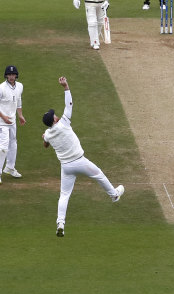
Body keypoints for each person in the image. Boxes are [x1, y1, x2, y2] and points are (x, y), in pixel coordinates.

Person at [42, 76, 124, 237]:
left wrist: (44, 137)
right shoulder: (63, 123)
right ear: (54, 119)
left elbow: (45, 144)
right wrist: (66, 87)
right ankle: (114, 195)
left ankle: (60, 223)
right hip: (79, 162)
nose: (56, 115)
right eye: (54, 115)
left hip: (66, 167)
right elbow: (69, 105)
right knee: (99, 174)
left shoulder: (48, 134)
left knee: (64, 195)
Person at [0, 65, 26, 184]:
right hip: (0, 122)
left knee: (13, 143)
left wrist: (20, 115)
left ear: (16, 75)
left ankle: (10, 167)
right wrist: (3, 117)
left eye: (13, 74)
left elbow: (18, 100)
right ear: (6, 76)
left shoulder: (20, 86)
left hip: (12, 120)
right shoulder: (0, 88)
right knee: (4, 146)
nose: (11, 76)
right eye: (9, 75)